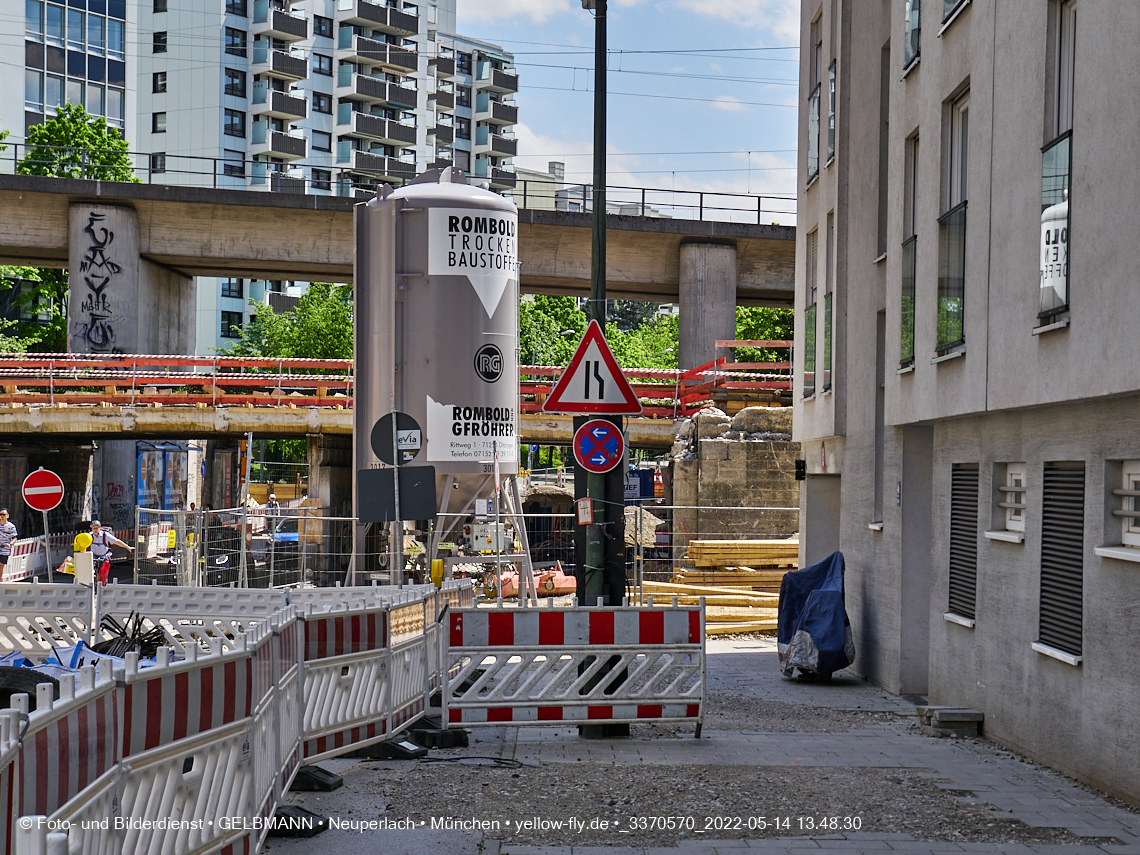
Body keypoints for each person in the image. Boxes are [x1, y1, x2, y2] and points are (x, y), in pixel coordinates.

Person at [90, 520, 133, 585]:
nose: (95, 530)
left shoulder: (105, 535)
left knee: (103, 573)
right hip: (93, 555)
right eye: (94, 528)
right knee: (90, 571)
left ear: (100, 528)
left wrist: (127, 547)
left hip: (104, 555)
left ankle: (103, 587)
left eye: (97, 528)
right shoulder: (89, 535)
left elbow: (116, 541)